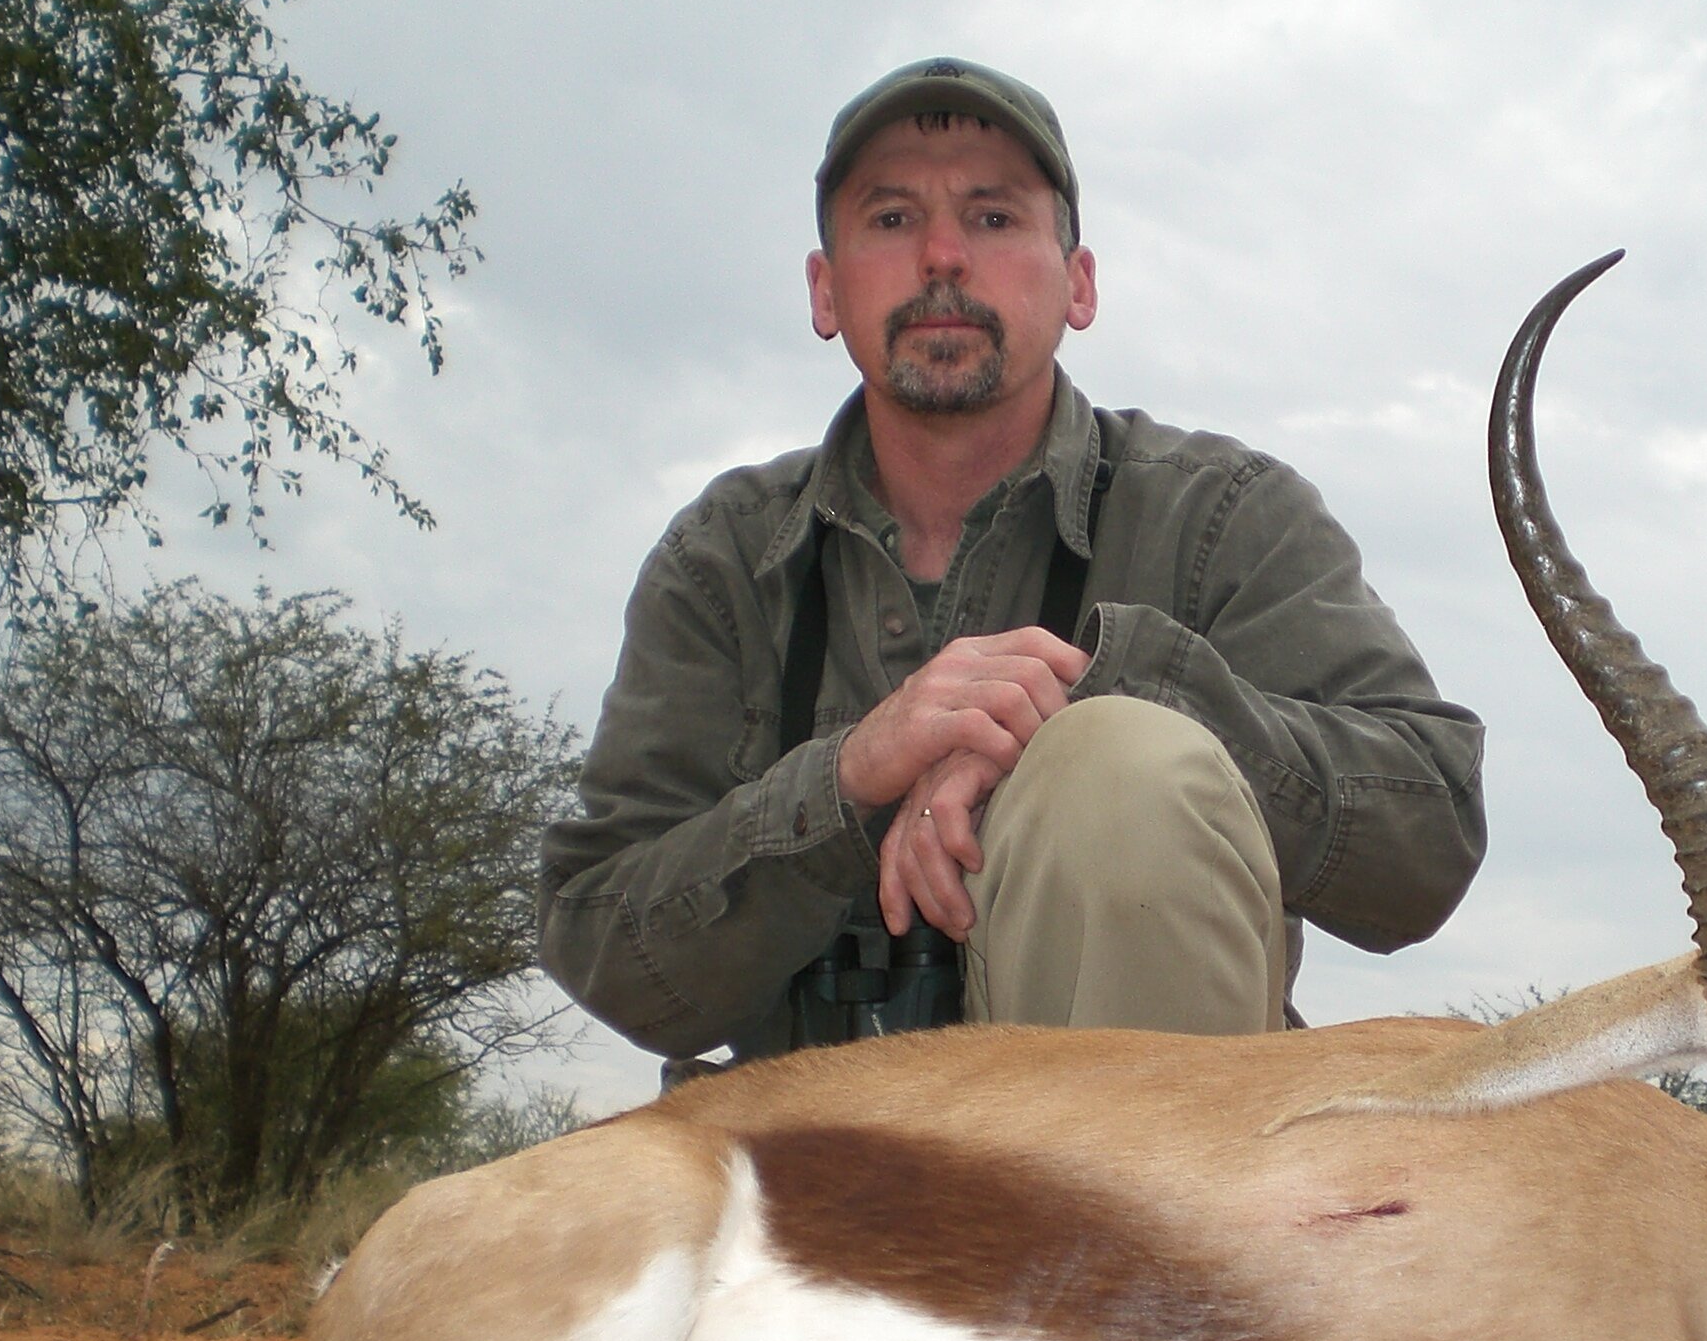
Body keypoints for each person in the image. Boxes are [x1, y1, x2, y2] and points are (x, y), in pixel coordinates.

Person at [540, 58, 1485, 1069]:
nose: (943, 256)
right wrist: (852, 779)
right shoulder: (719, 557)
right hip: (808, 1188)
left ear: (1078, 285)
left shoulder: (1227, 516)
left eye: (993, 219)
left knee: (1119, 766)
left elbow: (1424, 841)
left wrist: (1089, 697)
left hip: (1147, 1188)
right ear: (824, 290)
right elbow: (603, 947)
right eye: (891, 219)